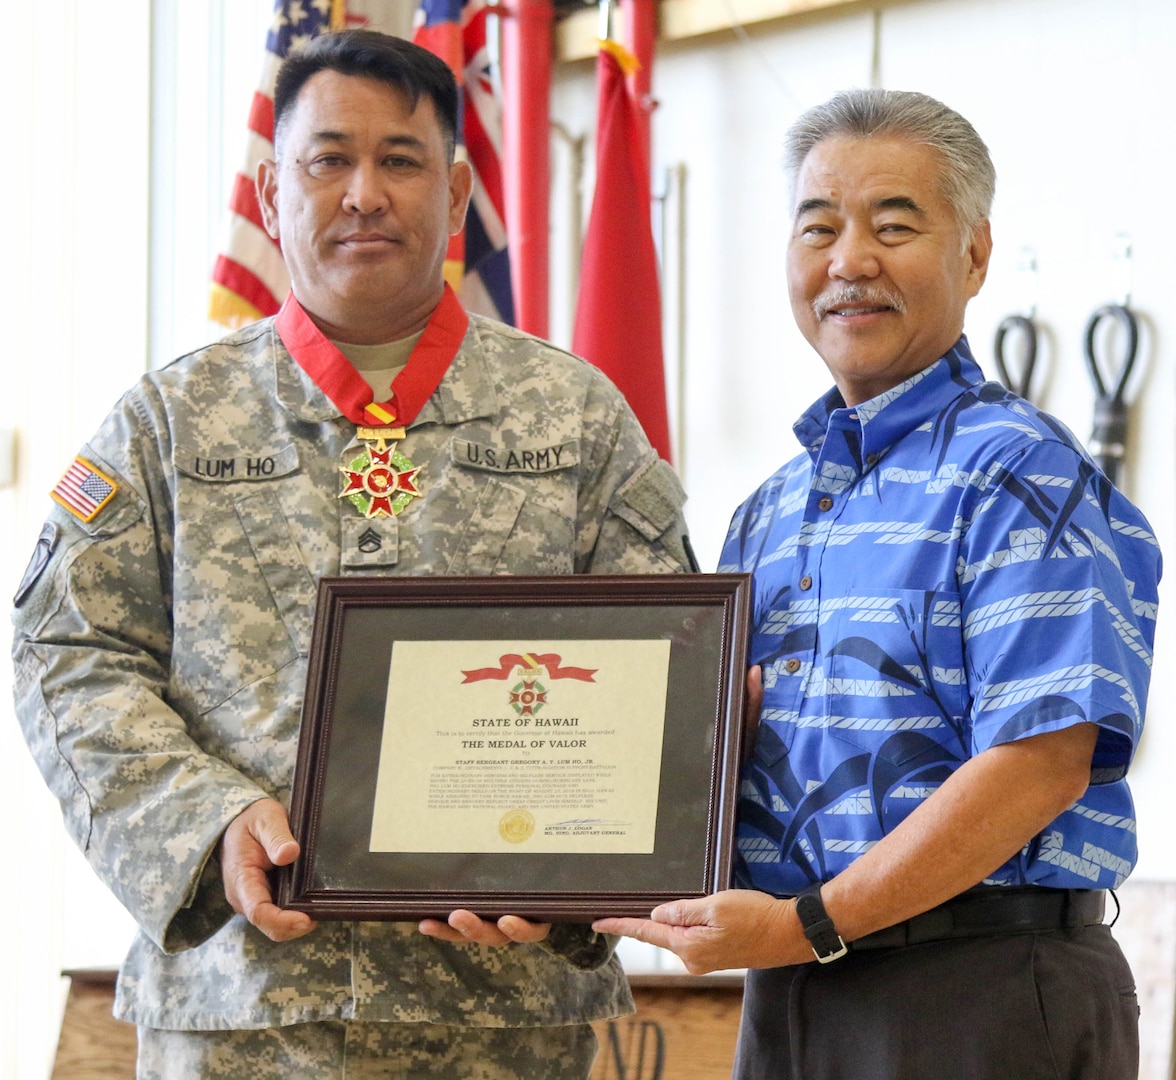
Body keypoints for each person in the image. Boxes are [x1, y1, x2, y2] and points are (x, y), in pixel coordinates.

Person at [12, 30, 691, 1080]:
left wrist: (566, 873)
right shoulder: (167, 423)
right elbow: (67, 649)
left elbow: (665, 667)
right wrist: (208, 821)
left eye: (401, 160)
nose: (364, 192)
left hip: (500, 1020)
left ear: (458, 191)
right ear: (271, 198)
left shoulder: (579, 417)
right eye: (328, 159)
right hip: (240, 1011)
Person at [594, 88, 1160, 1079]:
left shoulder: (1018, 472)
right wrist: (535, 870)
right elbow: (712, 766)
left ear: (975, 255)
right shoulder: (766, 513)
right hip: (796, 990)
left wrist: (808, 923)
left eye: (894, 226)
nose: (849, 260)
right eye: (819, 227)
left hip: (979, 990)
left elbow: (1041, 762)